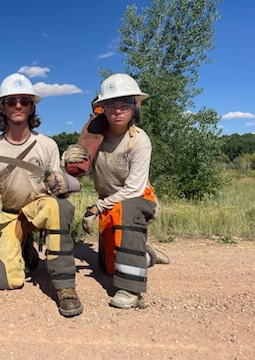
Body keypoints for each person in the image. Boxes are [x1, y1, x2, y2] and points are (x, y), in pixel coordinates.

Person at [0, 73, 84, 317]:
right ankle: (27, 253)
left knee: (58, 208)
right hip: (12, 215)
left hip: (40, 209)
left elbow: (60, 194)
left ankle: (65, 287)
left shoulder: (47, 145)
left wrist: (64, 183)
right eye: (11, 101)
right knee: (7, 281)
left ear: (33, 106)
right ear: (2, 107)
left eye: (24, 100)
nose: (18, 105)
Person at [62, 73, 169, 309]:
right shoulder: (94, 138)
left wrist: (96, 209)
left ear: (135, 108)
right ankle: (146, 254)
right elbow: (77, 175)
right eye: (112, 105)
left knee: (127, 210)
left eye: (125, 105)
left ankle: (131, 290)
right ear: (102, 108)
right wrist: (69, 163)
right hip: (109, 202)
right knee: (109, 267)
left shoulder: (139, 140)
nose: (118, 111)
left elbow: (133, 189)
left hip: (139, 200)